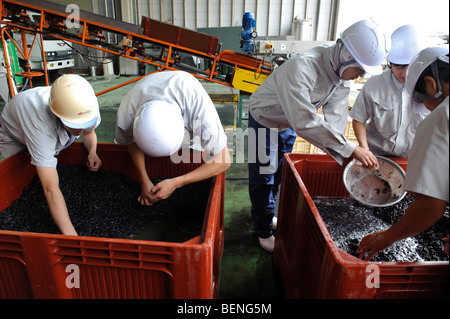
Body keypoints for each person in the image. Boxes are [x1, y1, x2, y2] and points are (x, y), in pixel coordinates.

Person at [247, 19, 390, 252]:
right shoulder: (303, 68)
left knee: (279, 172)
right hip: (264, 119)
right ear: (345, 54)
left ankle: (267, 213)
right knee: (263, 175)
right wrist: (349, 149)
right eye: (359, 69)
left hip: (288, 124)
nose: (358, 76)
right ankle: (262, 230)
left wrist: (344, 155)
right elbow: (304, 120)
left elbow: (336, 119)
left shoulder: (340, 77)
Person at [357, 47, 449, 261]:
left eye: (420, 99)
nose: (425, 106)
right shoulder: (374, 85)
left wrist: (389, 236)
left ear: (430, 84)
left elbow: (431, 205)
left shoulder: (441, 118)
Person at [0, 74, 102, 236]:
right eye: (75, 126)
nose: (80, 130)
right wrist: (72, 236)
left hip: (47, 128)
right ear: (58, 115)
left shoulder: (86, 105)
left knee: (44, 167)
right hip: (14, 134)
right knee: (23, 181)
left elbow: (89, 133)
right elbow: (50, 189)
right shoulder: (39, 123)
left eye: (83, 124)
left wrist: (92, 152)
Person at [115, 70, 230, 206]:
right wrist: (143, 178)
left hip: (186, 97)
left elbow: (224, 160)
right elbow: (129, 141)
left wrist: (177, 183)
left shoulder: (200, 112)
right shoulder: (127, 112)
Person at [350, 25, 427, 158]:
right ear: (390, 63)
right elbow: (358, 119)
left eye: (410, 67)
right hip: (376, 155)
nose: (404, 74)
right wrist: (365, 149)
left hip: (413, 158)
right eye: (399, 67)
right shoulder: (374, 85)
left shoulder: (428, 88)